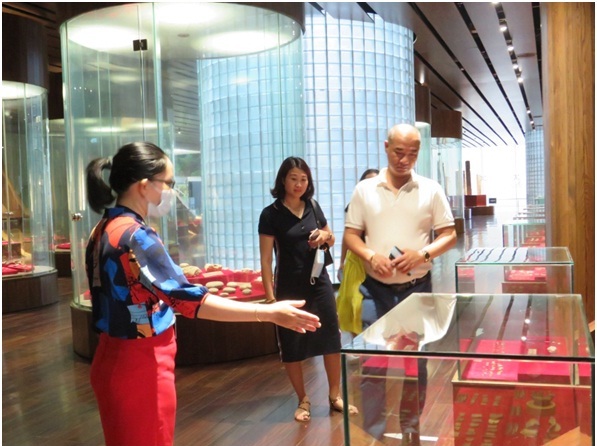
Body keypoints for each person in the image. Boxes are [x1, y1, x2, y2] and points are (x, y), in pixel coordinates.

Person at [85, 142, 321, 446]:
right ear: (144, 186)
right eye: (168, 183)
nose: (171, 192)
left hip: (112, 357)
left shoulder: (104, 226)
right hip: (140, 364)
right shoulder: (136, 236)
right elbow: (189, 300)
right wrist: (267, 312)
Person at [344, 123, 456, 441]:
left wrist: (422, 254)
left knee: (414, 364)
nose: (404, 160)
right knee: (373, 364)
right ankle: (374, 435)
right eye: (398, 152)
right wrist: (370, 255)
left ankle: (411, 430)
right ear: (386, 147)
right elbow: (351, 235)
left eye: (412, 153)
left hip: (416, 290)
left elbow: (449, 234)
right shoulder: (365, 190)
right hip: (374, 289)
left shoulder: (430, 189)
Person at [258, 156, 358, 422]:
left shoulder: (313, 206)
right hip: (288, 287)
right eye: (293, 178)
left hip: (320, 283)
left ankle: (335, 396)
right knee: (292, 343)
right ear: (283, 180)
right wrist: (270, 300)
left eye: (304, 179)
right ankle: (303, 400)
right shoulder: (270, 214)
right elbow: (266, 260)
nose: (299, 184)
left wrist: (325, 236)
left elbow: (331, 237)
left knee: (331, 338)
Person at [336, 168, 379, 337]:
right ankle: (358, 344)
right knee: (354, 303)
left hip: (378, 261)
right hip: (356, 261)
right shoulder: (353, 207)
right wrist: (342, 262)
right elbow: (347, 236)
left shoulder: (387, 208)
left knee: (373, 307)